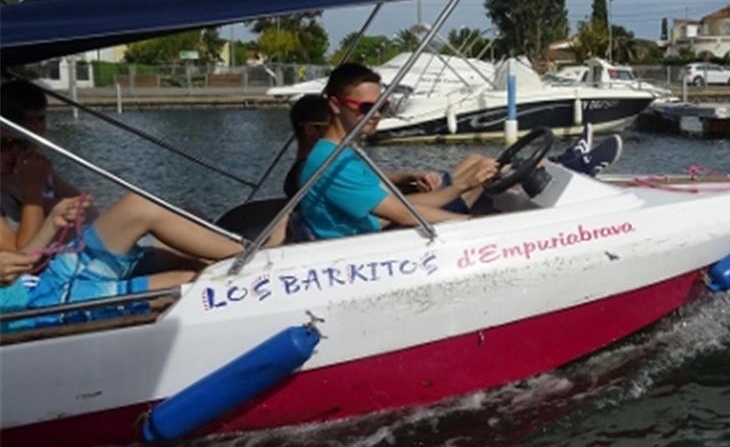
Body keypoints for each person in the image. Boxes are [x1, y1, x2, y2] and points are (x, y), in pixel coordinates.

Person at [0, 191, 286, 327]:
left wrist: (52, 222)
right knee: (187, 283)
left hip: (43, 281)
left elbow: (17, 266)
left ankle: (255, 255)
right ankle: (265, 265)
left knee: (137, 207)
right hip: (37, 311)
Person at [297, 64, 499, 239]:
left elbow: (399, 207)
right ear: (335, 105)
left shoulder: (341, 153)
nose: (377, 115)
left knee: (480, 167)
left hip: (377, 231)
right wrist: (473, 221)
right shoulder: (331, 161)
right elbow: (405, 214)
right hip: (365, 247)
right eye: (367, 108)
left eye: (382, 107)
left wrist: (462, 190)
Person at [283, 94, 444, 199]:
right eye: (335, 126)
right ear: (310, 130)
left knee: (468, 166)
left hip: (393, 213)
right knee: (466, 177)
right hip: (379, 229)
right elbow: (384, 212)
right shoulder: (316, 171)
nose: (346, 131)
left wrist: (412, 176)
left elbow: (369, 178)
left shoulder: (327, 166)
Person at [0, 79, 91, 247]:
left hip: (71, 252)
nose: (16, 153)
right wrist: (32, 194)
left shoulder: (37, 170)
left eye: (24, 145)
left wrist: (42, 199)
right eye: (5, 145)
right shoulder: (28, 180)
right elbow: (18, 261)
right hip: (48, 267)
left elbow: (90, 213)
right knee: (140, 208)